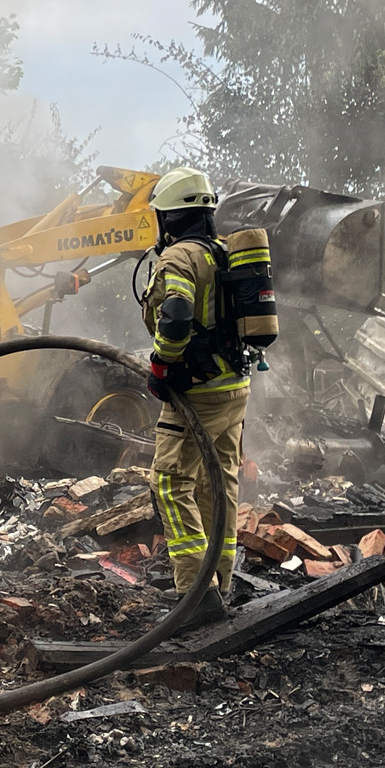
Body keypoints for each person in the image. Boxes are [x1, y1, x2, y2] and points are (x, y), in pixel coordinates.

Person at [142, 167, 249, 628]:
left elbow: (177, 314)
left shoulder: (179, 258)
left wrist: (162, 363)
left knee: (170, 483)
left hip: (197, 391)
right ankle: (219, 580)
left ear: (168, 217)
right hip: (234, 388)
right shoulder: (224, 252)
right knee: (219, 486)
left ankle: (194, 590)